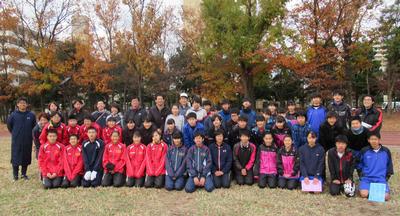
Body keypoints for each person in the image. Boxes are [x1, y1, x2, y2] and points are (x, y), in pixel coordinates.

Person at [358, 133, 393, 201]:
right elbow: (358, 163)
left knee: (386, 197)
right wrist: (361, 174)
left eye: (375, 139)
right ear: (368, 140)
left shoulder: (386, 151)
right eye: (372, 139)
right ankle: (373, 191)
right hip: (367, 178)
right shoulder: (364, 150)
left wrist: (387, 176)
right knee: (364, 194)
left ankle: (374, 191)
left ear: (379, 140)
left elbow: (389, 165)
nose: (374, 141)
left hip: (380, 178)